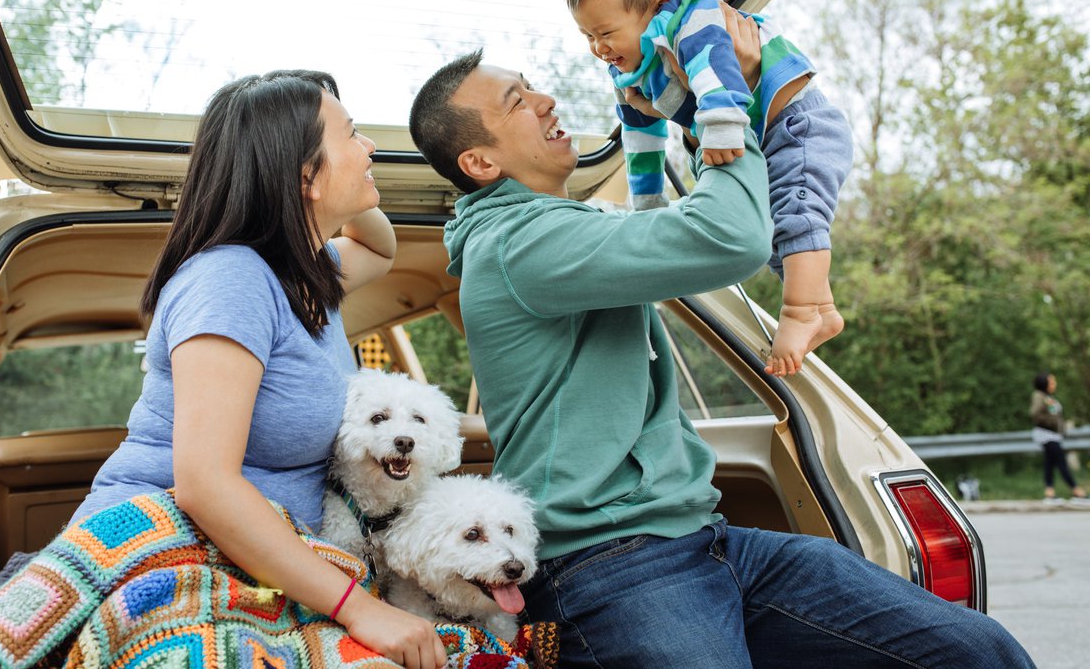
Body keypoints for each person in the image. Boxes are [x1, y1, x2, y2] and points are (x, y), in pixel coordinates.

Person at [408, 49, 1035, 668]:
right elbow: (728, 237)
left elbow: (676, 227)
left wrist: (664, 111)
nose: (545, 100)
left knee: (980, 650)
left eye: (533, 86)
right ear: (480, 161)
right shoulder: (522, 243)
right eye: (518, 101)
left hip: (708, 542)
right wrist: (716, 94)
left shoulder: (563, 229)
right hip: (607, 563)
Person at [68, 70, 448, 669]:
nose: (369, 146)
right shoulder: (231, 279)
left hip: (266, 570)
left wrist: (347, 190)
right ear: (304, 174)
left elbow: (380, 248)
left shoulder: (307, 274)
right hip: (172, 550)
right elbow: (205, 484)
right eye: (352, 135)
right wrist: (362, 608)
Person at [564, 0, 853, 377]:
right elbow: (640, 135)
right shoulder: (628, 70)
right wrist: (648, 201)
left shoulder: (690, 16)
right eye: (588, 37)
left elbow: (713, 66)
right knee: (778, 227)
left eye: (606, 32)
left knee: (799, 213)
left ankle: (798, 312)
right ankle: (821, 307)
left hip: (799, 123)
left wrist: (718, 127)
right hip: (764, 133)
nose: (599, 49)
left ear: (657, 9)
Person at [1030, 372, 1088, 504]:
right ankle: (1076, 491)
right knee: (1061, 462)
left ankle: (1049, 494)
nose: (1054, 384)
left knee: (1049, 464)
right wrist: (1052, 424)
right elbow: (1035, 414)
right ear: (1044, 383)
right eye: (1051, 382)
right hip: (1047, 435)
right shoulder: (1039, 396)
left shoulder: (1047, 396)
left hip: (1053, 435)